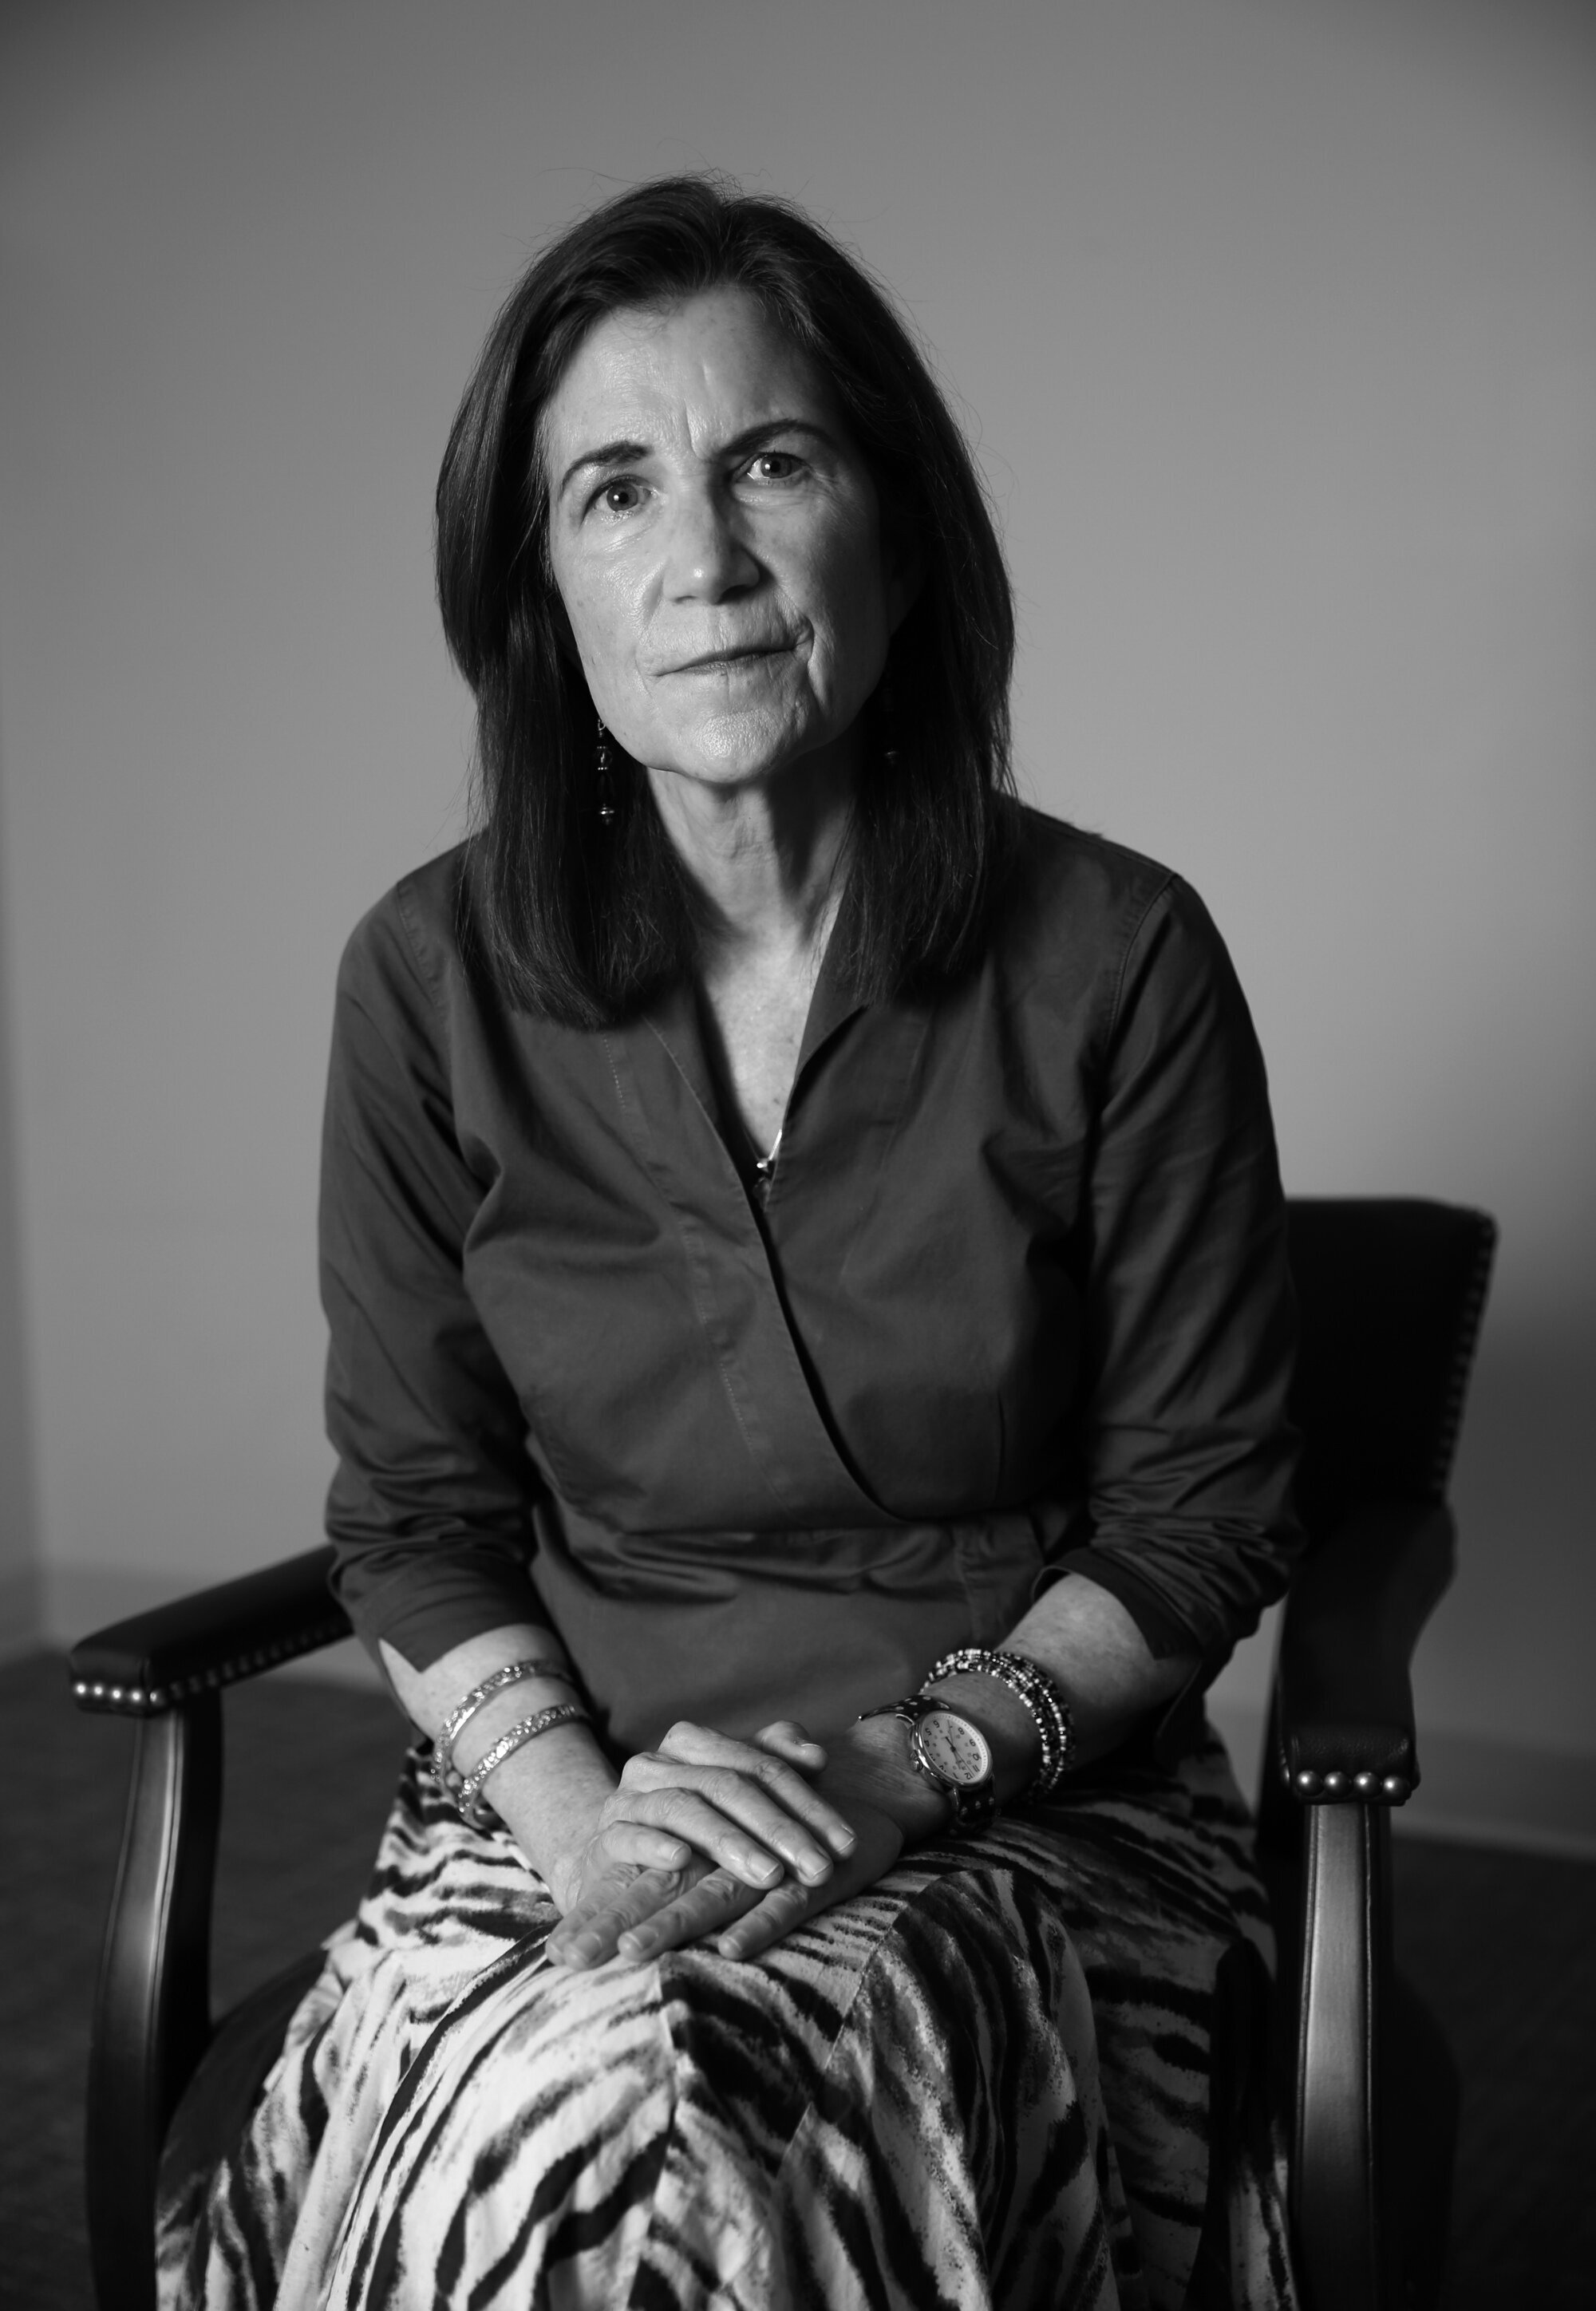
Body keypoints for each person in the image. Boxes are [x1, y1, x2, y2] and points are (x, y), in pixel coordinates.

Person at [164, 176, 1302, 2310]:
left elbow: (1202, 1518)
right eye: (614, 492)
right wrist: (588, 1831)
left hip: (1028, 1803)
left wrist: (910, 1764)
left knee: (717, 2138)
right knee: (579, 2116)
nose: (703, 560)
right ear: (543, 594)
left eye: (771, 463)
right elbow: (416, 1519)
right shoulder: (421, 979)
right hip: (566, 1799)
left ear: (900, 533)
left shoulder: (1124, 953)